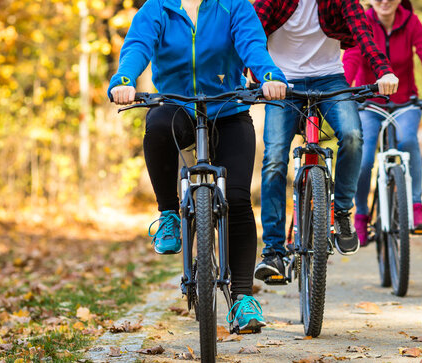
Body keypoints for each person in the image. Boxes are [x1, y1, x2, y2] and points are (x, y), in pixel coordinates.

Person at [108, 0, 288, 334]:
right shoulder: (157, 9)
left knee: (236, 199)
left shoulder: (234, 6)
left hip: (228, 110)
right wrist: (124, 78)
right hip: (176, 106)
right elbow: (137, 46)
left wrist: (268, 76)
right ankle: (168, 215)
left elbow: (252, 45)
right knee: (157, 126)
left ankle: (243, 299)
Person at [251, 0, 400, 282]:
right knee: (274, 160)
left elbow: (363, 33)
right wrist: (251, 74)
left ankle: (342, 211)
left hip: (330, 78)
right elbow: (251, 34)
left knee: (354, 136)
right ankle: (273, 251)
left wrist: (383, 70)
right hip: (282, 81)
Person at [343, 0, 422, 239]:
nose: (385, 1)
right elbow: (352, 55)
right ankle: (361, 215)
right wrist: (343, 89)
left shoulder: (410, 21)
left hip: (405, 103)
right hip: (369, 103)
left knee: (408, 141)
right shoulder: (362, 22)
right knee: (363, 159)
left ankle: (415, 205)